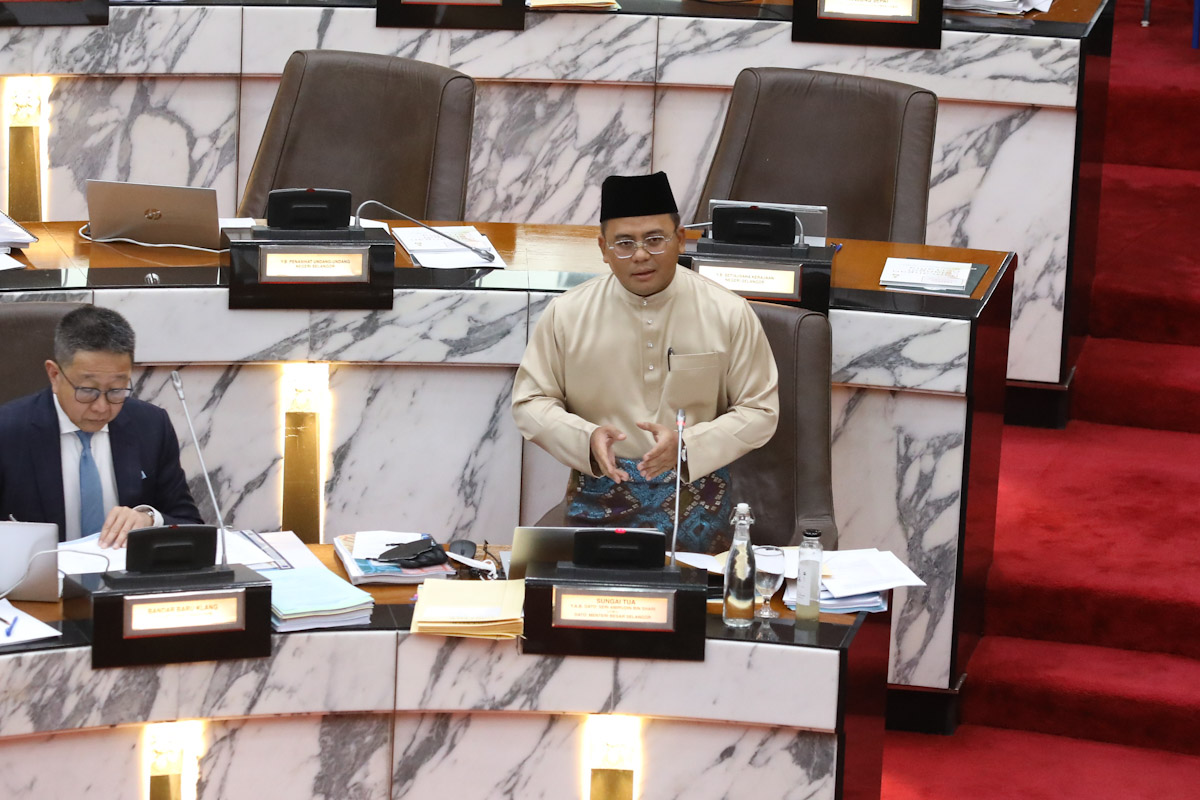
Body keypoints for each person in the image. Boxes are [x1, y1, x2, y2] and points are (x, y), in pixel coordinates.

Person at [512, 172, 779, 553]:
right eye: (624, 243)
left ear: (681, 239)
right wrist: (586, 438)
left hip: (697, 503)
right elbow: (529, 402)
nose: (640, 254)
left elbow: (761, 410)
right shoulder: (567, 314)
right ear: (603, 249)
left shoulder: (728, 312)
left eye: (655, 239)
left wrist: (686, 447)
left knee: (695, 609)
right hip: (600, 499)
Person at [0, 306, 202, 548]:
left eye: (116, 390)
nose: (102, 407)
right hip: (40, 581)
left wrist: (148, 519)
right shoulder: (8, 432)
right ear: (54, 375)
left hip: (127, 580)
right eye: (87, 390)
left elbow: (191, 526)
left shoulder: (151, 426)